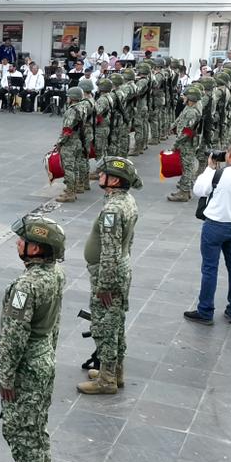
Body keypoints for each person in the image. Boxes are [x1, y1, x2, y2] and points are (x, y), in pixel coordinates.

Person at [0, 213, 66, 462]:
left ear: (36, 250)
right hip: (44, 358)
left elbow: (13, 338)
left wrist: (5, 378)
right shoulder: (55, 273)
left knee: (21, 431)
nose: (19, 243)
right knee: (35, 429)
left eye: (24, 240)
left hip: (27, 367)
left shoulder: (25, 286)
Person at [78, 158, 141, 395]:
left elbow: (110, 249)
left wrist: (104, 284)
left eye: (104, 173)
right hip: (120, 269)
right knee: (115, 324)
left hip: (108, 275)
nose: (99, 175)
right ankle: (114, 371)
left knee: (104, 326)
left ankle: (106, 380)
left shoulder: (113, 209)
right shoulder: (126, 201)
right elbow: (128, 242)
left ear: (114, 180)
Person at [184, 140, 231, 325]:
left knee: (210, 268)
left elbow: (198, 190)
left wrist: (209, 168)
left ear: (230, 155)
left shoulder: (219, 174)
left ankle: (205, 311)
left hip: (215, 226)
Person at [55, 84, 91, 202]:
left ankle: (70, 193)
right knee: (75, 167)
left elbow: (67, 129)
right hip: (78, 141)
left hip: (70, 143)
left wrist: (59, 143)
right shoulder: (82, 107)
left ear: (72, 97)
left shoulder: (72, 110)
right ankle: (74, 189)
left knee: (68, 168)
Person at [167, 88, 204, 202]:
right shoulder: (189, 108)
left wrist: (176, 144)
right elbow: (181, 118)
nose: (184, 97)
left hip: (186, 144)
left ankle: (184, 192)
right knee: (185, 166)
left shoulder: (192, 112)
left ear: (191, 98)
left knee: (187, 167)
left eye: (186, 96)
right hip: (185, 142)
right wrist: (173, 126)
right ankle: (184, 190)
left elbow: (187, 132)